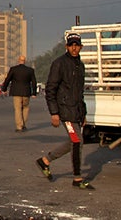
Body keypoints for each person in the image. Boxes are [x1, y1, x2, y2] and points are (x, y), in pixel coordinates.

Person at [35, 33, 94, 190]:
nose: (74, 48)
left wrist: (83, 114)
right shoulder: (59, 63)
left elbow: (79, 92)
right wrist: (54, 113)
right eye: (71, 45)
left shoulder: (80, 65)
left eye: (77, 45)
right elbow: (50, 89)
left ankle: (45, 161)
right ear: (67, 47)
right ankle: (77, 178)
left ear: (80, 47)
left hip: (76, 111)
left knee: (74, 141)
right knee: (76, 141)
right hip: (64, 111)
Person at [2, 55, 37, 132]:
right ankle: (23, 124)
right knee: (25, 108)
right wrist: (34, 93)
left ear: (18, 60)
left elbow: (7, 79)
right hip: (26, 92)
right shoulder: (30, 70)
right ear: (25, 61)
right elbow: (34, 82)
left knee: (17, 109)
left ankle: (19, 126)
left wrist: (4, 89)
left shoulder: (13, 69)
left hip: (16, 92)